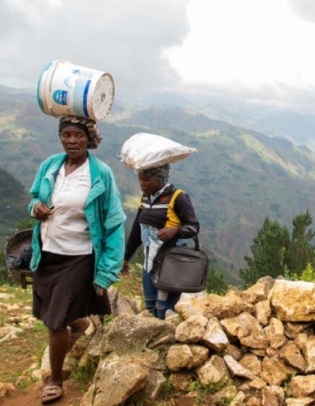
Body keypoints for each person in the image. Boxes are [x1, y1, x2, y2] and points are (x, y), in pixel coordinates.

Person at [28, 115, 126, 404]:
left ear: (89, 139)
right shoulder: (50, 165)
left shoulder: (100, 174)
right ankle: (80, 324)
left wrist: (106, 271)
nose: (71, 141)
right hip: (47, 253)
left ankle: (55, 380)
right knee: (51, 309)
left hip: (78, 257)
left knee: (54, 320)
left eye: (78, 135)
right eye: (66, 134)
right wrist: (35, 207)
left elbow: (114, 222)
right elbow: (34, 196)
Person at [122, 163, 200, 318]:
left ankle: (169, 339)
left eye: (146, 180)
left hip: (170, 265)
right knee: (150, 308)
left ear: (159, 178)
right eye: (140, 179)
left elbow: (194, 227)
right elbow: (137, 230)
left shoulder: (178, 197)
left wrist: (175, 230)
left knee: (164, 310)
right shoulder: (145, 198)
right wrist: (126, 257)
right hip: (149, 264)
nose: (142, 183)